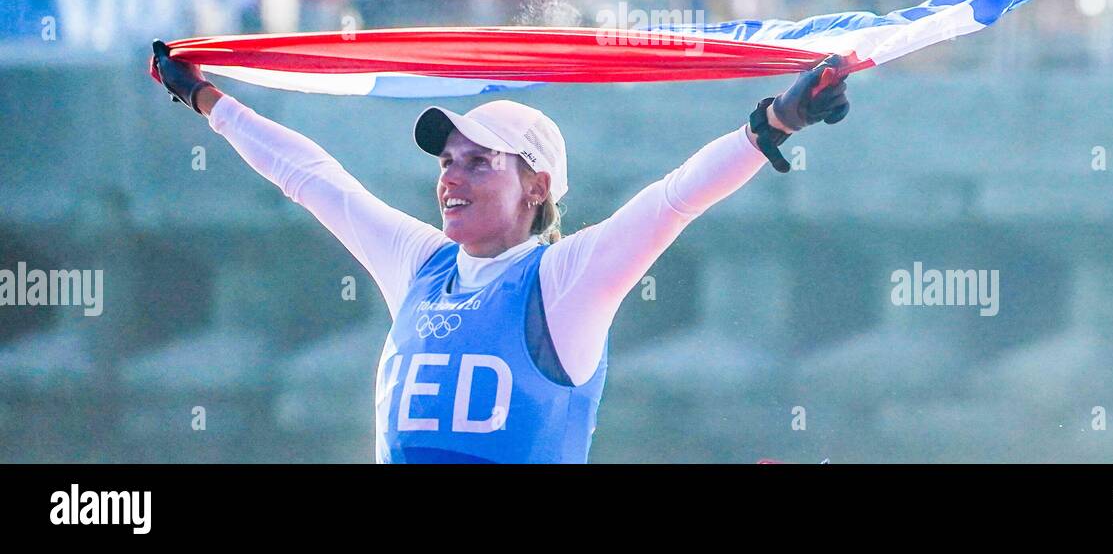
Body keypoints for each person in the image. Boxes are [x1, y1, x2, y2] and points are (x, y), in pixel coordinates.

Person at [148, 39, 851, 464]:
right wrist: (207, 98)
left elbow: (673, 199)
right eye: (447, 160)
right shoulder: (418, 264)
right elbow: (311, 179)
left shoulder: (566, 280)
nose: (451, 176)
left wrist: (776, 122)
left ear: (536, 186)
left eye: (479, 162)